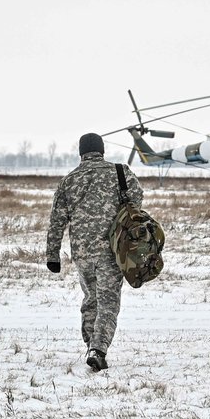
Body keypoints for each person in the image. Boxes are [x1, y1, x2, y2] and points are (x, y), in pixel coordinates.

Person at [46, 132, 144, 371]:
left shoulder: (69, 180)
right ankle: (98, 349)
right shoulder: (120, 173)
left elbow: (57, 220)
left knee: (91, 300)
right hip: (113, 251)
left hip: (82, 253)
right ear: (102, 150)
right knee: (108, 303)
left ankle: (91, 344)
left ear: (81, 152)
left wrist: (52, 255)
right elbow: (137, 201)